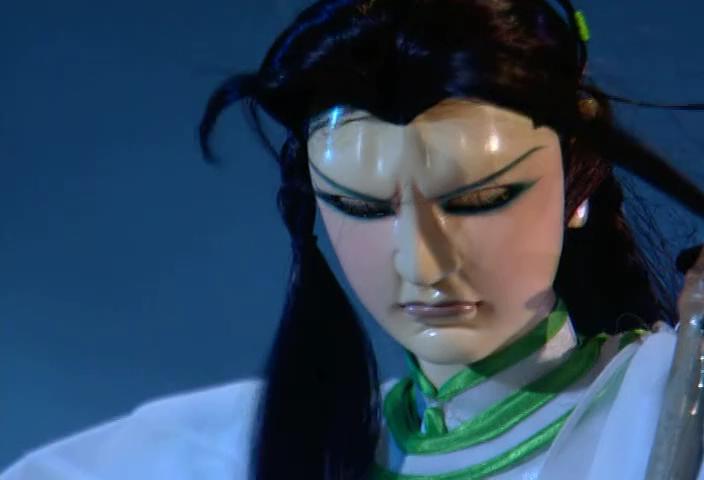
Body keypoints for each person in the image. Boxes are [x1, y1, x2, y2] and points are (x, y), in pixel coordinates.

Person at [2, 0, 704, 479]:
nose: (422, 260)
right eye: (360, 207)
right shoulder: (212, 449)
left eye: (481, 200)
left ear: (577, 185)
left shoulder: (664, 400)